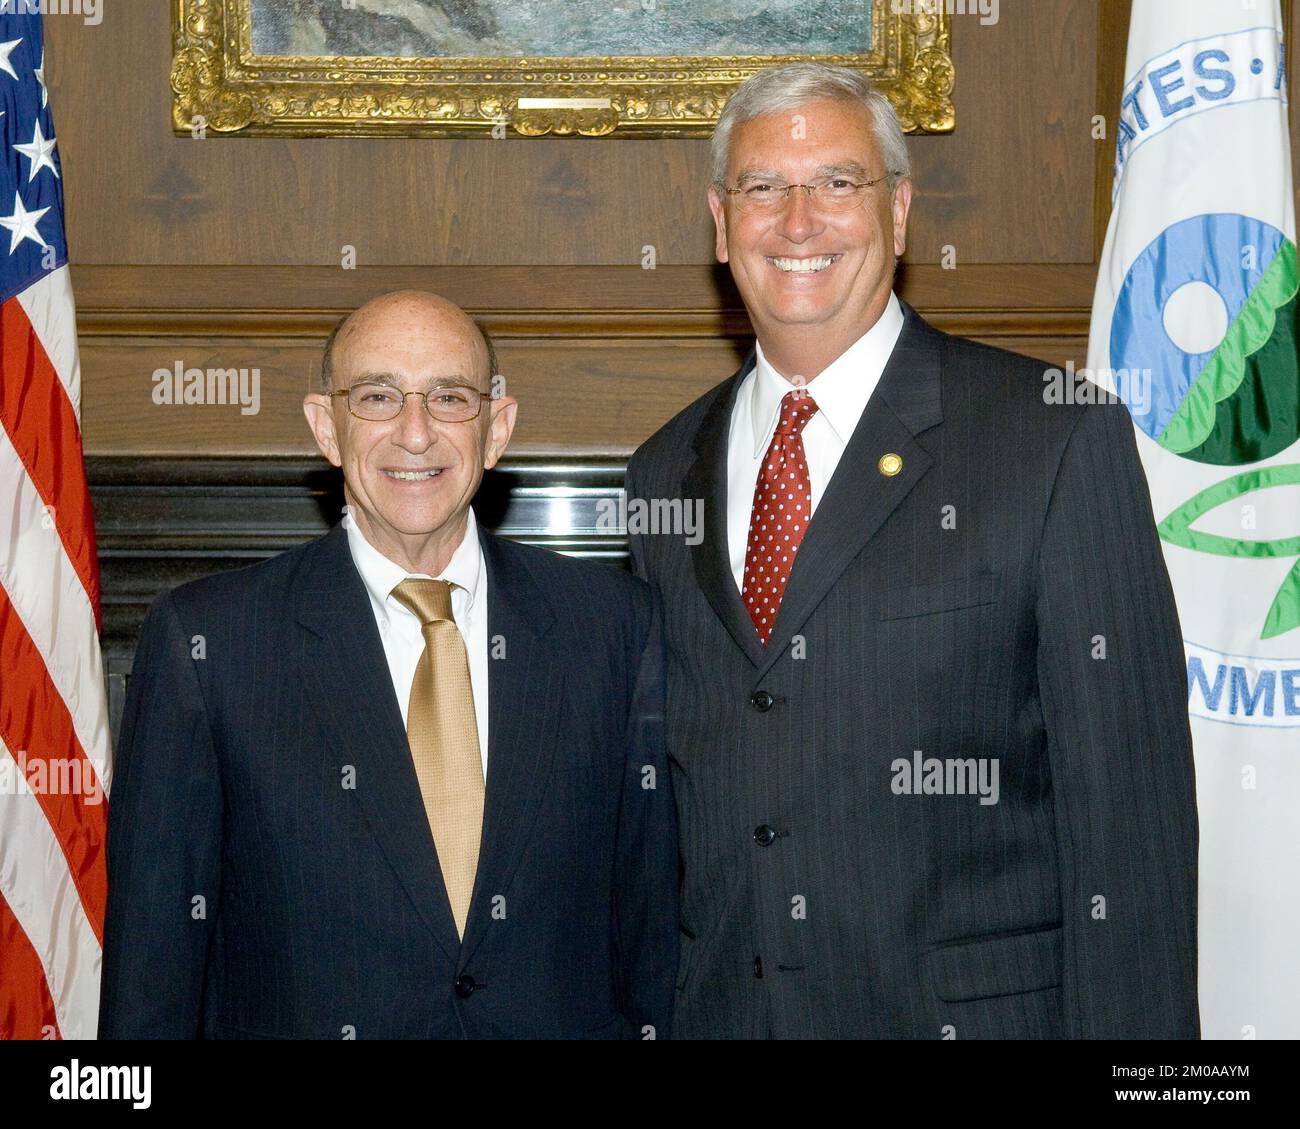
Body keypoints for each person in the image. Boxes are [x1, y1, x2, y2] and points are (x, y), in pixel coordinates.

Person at [624, 63, 1199, 1039]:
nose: (797, 221)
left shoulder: (1050, 439)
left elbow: (1129, 833)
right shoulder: (660, 470)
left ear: (896, 213)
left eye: (837, 184)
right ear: (722, 224)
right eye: (764, 188)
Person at [100, 290, 678, 1039]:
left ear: (496, 428)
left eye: (449, 396)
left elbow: (651, 938)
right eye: (377, 396)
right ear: (325, 427)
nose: (415, 432)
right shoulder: (210, 643)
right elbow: (155, 973)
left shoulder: (613, 627)